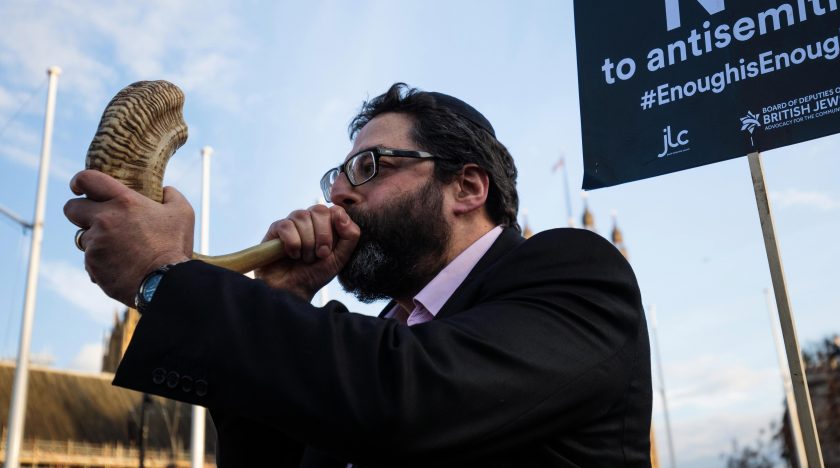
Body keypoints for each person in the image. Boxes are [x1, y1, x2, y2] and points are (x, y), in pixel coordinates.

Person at [65, 83, 652, 467]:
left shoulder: (575, 273)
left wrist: (166, 275)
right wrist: (283, 299)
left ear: (469, 188)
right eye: (336, 176)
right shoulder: (366, 354)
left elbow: (407, 396)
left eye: (368, 167)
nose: (339, 193)